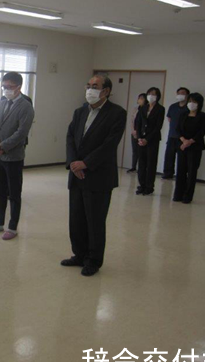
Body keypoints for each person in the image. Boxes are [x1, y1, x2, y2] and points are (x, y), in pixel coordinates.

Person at [62, 75, 127, 277]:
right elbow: (70, 137)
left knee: (95, 220)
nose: (90, 89)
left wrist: (86, 163)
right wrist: (74, 163)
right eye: (88, 85)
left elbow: (110, 144)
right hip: (77, 174)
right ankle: (79, 255)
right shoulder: (80, 111)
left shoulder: (117, 113)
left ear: (106, 91)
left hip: (98, 176)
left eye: (95, 86)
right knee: (76, 219)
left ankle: (93, 260)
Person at [0, 72, 34, 241]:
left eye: (9, 87)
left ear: (19, 87)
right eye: (4, 87)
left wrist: (3, 146)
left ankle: (12, 227)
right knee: (0, 191)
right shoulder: (0, 103)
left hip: (13, 157)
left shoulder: (26, 106)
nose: (6, 90)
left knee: (14, 193)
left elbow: (21, 132)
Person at [172, 93, 205, 204]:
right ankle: (178, 194)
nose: (191, 104)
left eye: (194, 102)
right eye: (190, 101)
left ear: (199, 104)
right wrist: (183, 140)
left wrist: (190, 141)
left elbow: (201, 132)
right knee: (180, 170)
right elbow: (177, 129)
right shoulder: (183, 114)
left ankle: (187, 196)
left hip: (195, 146)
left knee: (192, 172)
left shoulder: (203, 116)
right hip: (182, 146)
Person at [135, 87, 165, 195]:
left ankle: (149, 186)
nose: (151, 96)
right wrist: (139, 137)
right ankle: (141, 185)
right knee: (141, 163)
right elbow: (138, 123)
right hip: (141, 139)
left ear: (157, 96)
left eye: (153, 94)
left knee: (151, 163)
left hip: (152, 139)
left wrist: (147, 139)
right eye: (149, 93)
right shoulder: (143, 108)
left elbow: (158, 126)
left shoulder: (160, 109)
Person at [162, 87, 190, 179]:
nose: (180, 95)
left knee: (182, 157)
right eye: (179, 93)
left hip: (183, 137)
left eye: (183, 93)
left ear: (187, 95)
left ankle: (181, 175)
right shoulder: (173, 106)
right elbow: (169, 118)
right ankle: (167, 174)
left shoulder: (189, 107)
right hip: (172, 135)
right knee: (169, 156)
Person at [127, 93, 147, 173]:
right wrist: (133, 131)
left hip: (142, 133)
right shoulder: (135, 109)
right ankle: (133, 167)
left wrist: (140, 132)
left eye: (142, 98)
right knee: (135, 150)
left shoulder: (147, 109)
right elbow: (132, 121)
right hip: (134, 132)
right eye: (139, 98)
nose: (140, 100)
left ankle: (141, 168)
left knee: (142, 151)